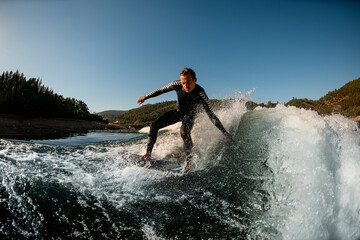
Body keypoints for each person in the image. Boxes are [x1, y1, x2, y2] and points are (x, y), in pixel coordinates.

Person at [137, 67, 233, 172]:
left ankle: (188, 162)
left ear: (195, 80)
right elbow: (160, 90)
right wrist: (145, 97)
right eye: (183, 83)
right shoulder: (176, 84)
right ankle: (148, 154)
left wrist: (223, 131)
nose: (185, 86)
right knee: (154, 124)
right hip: (179, 112)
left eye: (188, 82)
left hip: (190, 115)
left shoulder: (200, 93)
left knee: (184, 131)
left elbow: (211, 114)